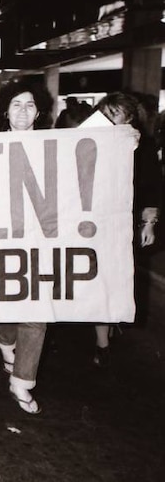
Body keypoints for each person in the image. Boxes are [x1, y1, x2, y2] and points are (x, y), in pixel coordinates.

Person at [0, 79, 54, 414]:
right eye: (16, 104)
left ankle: (22, 383)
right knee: (5, 307)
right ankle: (4, 341)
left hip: (40, 240)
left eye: (30, 105)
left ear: (39, 111)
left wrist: (125, 139)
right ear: (5, 110)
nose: (23, 111)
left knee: (36, 311)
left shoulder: (54, 144)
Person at [91, 92, 161, 367]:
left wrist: (149, 224)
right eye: (106, 113)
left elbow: (152, 187)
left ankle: (109, 325)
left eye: (116, 113)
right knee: (99, 280)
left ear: (129, 117)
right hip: (96, 224)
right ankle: (102, 342)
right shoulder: (90, 140)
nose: (110, 118)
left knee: (118, 280)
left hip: (127, 225)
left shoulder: (142, 147)